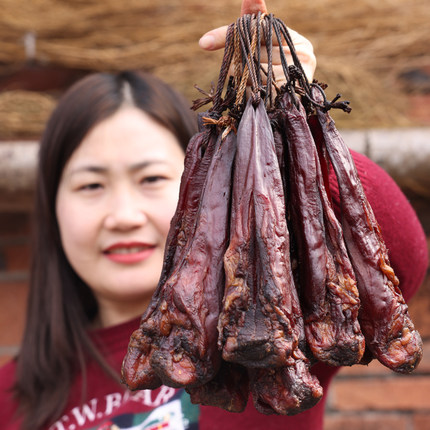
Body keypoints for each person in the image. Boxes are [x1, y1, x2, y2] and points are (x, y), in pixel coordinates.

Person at [0, 1, 427, 429]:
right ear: (52, 205)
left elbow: (397, 259)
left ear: (209, 186)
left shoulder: (266, 346)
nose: (123, 215)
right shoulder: (9, 397)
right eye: (91, 185)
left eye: (151, 178)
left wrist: (293, 128)